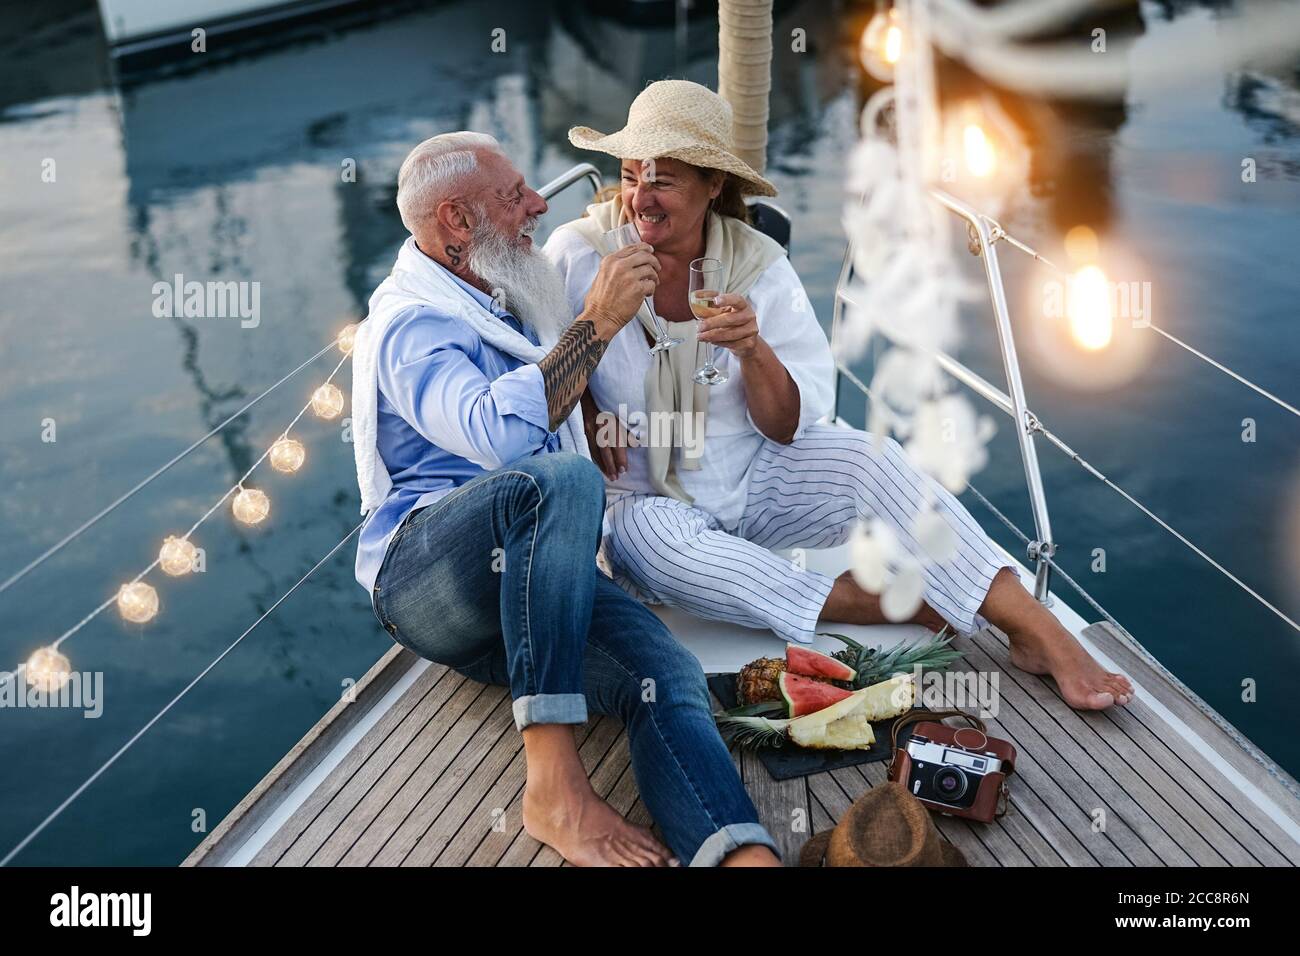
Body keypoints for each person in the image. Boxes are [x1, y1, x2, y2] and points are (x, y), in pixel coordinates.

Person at [544, 80, 1133, 711]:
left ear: (713, 184)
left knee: (872, 459)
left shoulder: (759, 267)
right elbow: (539, 388)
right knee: (659, 552)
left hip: (754, 476)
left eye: (662, 180)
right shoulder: (578, 256)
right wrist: (589, 391)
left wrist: (753, 351)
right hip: (646, 497)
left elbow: (788, 427)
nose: (640, 197)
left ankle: (1038, 632)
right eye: (631, 176)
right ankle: (871, 600)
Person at [350, 131, 781, 866]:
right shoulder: (410, 324)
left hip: (523, 597)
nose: (539, 204)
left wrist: (578, 398)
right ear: (456, 220)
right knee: (562, 482)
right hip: (426, 582)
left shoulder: (499, 291)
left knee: (665, 674)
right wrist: (600, 320)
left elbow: (542, 383)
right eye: (514, 194)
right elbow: (498, 438)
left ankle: (739, 851)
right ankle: (553, 784)